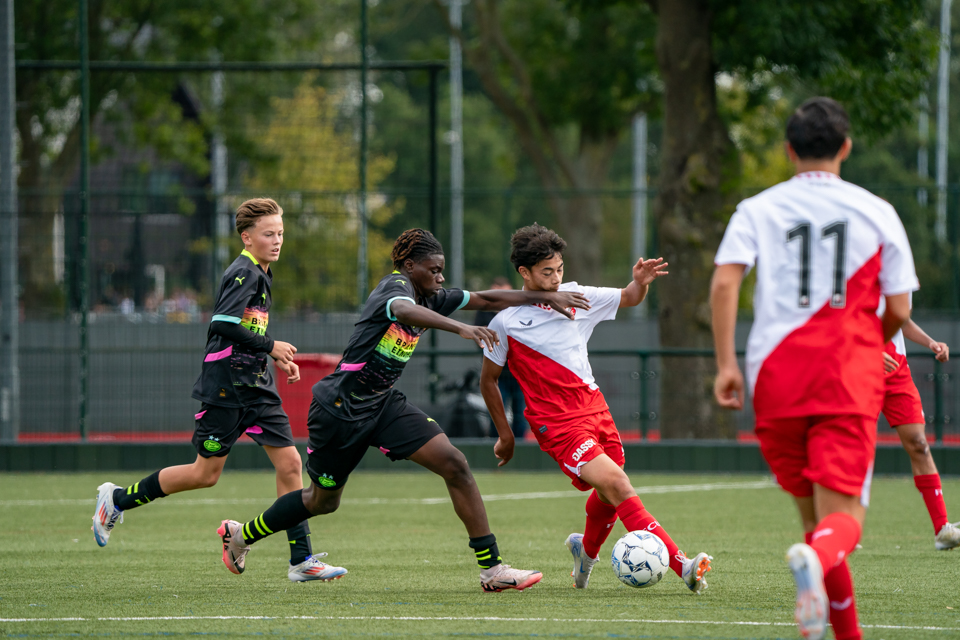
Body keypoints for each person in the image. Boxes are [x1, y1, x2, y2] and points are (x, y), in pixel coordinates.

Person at [217, 228, 591, 592]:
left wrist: (543, 296)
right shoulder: (394, 287)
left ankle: (492, 570)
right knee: (322, 500)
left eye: (442, 270)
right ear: (410, 266)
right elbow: (402, 310)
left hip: (383, 405)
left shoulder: (432, 295)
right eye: (434, 270)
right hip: (340, 410)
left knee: (455, 464)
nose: (440, 277)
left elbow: (486, 298)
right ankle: (241, 535)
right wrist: (459, 328)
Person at [711, 97, 917, 640]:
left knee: (814, 524)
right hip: (845, 376)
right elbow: (899, 309)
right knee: (843, 525)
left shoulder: (756, 208)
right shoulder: (877, 210)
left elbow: (725, 282)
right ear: (846, 147)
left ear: (789, 150)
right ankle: (814, 561)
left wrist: (727, 365)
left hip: (775, 377)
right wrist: (869, 340)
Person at [92, 198, 336, 583]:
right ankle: (116, 499)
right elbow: (221, 324)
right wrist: (271, 346)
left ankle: (301, 560)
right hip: (226, 388)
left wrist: (272, 355)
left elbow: (247, 329)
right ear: (247, 237)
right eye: (269, 234)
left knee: (290, 464)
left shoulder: (263, 273)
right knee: (204, 474)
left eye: (280, 233)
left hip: (256, 386)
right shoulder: (243, 272)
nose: (277, 240)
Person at [479, 223, 713, 594]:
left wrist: (640, 282)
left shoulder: (577, 296)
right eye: (546, 272)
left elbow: (630, 297)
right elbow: (488, 380)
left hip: (595, 409)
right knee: (617, 484)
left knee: (607, 492)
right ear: (524, 272)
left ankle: (584, 556)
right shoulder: (505, 322)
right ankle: (682, 564)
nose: (556, 279)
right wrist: (505, 435)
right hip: (557, 424)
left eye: (559, 269)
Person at [880, 316, 959, 549]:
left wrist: (930, 342)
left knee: (919, 444)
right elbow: (837, 321)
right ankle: (838, 526)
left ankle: (943, 530)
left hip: (896, 370)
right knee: (853, 448)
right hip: (858, 367)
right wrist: (866, 352)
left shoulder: (899, 291)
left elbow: (900, 318)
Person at [474, 277, 529, 438]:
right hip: (496, 373)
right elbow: (481, 339)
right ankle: (496, 443)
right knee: (496, 412)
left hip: (519, 373)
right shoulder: (483, 313)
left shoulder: (520, 311)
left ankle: (519, 445)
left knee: (520, 413)